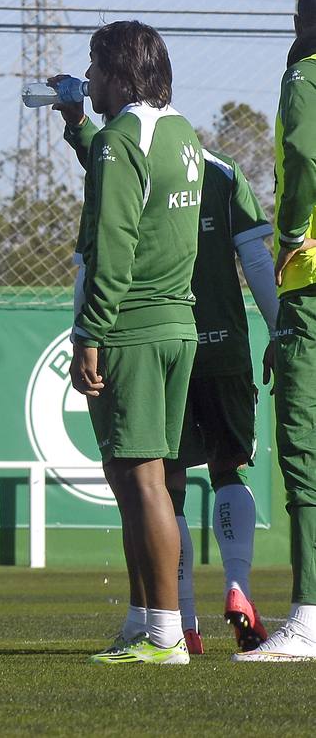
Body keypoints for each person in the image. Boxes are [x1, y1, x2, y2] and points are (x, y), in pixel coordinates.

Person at [53, 75, 277, 656]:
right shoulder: (217, 167)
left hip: (150, 331)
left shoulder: (130, 149)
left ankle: (177, 622)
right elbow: (255, 256)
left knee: (160, 483)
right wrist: (278, 328)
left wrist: (88, 328)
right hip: (219, 345)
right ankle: (238, 584)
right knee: (230, 469)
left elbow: (116, 202)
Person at [54, 22, 203, 665]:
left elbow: (113, 242)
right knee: (136, 477)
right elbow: (126, 182)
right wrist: (77, 126)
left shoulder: (123, 138)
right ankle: (144, 620)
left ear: (118, 73)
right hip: (174, 325)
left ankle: (167, 634)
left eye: (94, 69)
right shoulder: (179, 132)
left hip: (132, 327)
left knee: (143, 483)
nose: (88, 81)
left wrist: (91, 330)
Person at [250, 0, 316, 662]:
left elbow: (300, 152)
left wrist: (292, 229)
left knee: (304, 453)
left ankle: (308, 618)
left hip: (311, 284)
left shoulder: (305, 73)